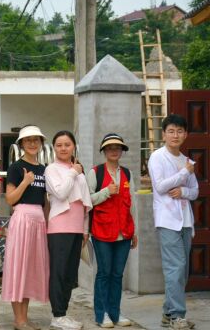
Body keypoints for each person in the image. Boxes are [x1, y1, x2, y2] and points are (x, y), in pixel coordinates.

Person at [148, 115, 198, 330]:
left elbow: (195, 191)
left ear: (185, 134)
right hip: (167, 220)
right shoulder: (157, 157)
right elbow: (160, 187)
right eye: (171, 131)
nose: (175, 135)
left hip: (186, 221)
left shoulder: (186, 159)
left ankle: (168, 314)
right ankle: (178, 316)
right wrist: (184, 173)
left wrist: (184, 191)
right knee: (175, 268)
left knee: (182, 270)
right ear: (164, 134)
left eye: (179, 131)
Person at [86, 134, 137, 328]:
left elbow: (131, 204)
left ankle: (116, 313)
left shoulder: (127, 173)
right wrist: (107, 191)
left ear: (122, 151)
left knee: (117, 275)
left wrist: (135, 232)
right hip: (102, 231)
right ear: (104, 151)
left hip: (124, 232)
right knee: (104, 273)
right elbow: (88, 200)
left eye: (117, 147)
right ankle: (102, 314)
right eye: (110, 148)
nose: (114, 150)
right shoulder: (95, 173)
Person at [44, 130, 92, 330]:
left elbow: (85, 201)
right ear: (54, 148)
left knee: (71, 273)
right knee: (59, 272)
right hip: (59, 228)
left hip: (75, 229)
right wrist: (74, 172)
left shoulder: (77, 170)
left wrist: (84, 229)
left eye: (67, 144)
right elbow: (61, 193)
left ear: (74, 147)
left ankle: (63, 313)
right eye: (59, 145)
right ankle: (57, 315)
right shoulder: (51, 169)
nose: (63, 148)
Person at [2, 125, 49, 330]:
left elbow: (46, 201)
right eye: (27, 140)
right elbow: (10, 199)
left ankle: (25, 317)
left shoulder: (44, 169)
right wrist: (25, 182)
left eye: (35, 140)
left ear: (40, 143)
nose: (32, 143)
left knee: (30, 269)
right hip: (22, 217)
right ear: (21, 144)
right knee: (18, 267)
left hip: (39, 219)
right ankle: (18, 320)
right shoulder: (15, 167)